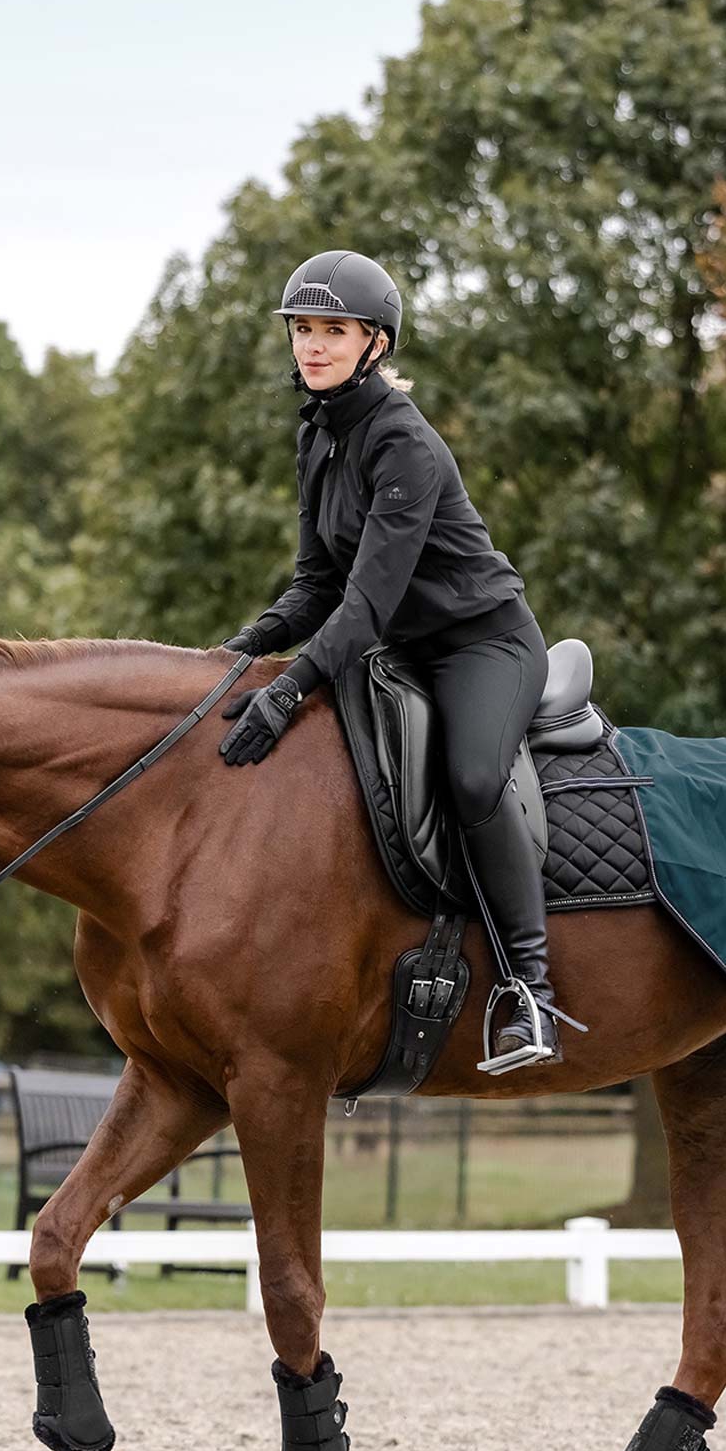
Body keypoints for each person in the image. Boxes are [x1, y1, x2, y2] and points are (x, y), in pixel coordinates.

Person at [218, 247, 568, 1069]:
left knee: (474, 777)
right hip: (400, 654)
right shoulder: (317, 435)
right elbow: (314, 587)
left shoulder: (404, 444)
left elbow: (365, 603)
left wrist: (293, 687)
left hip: (484, 644)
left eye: (332, 331)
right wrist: (233, 657)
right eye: (302, 329)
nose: (311, 346)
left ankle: (532, 993)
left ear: (375, 343)